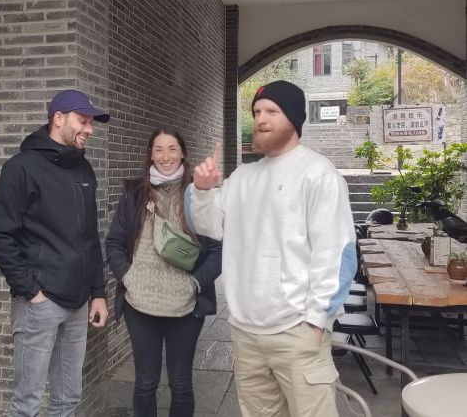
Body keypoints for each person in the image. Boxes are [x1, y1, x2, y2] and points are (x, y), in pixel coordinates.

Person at [186, 80, 356, 417]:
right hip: (245, 332)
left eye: (272, 111)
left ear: (294, 117)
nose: (261, 119)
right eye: (257, 112)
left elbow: (337, 253)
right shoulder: (243, 177)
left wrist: (316, 322)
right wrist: (203, 191)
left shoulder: (318, 173)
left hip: (297, 331)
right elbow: (208, 226)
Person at [0, 89, 110, 417]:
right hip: (40, 304)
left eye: (91, 123)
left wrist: (97, 293)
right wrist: (31, 290)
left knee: (68, 399)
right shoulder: (21, 168)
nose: (90, 129)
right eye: (83, 120)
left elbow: (89, 237)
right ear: (58, 118)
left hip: (78, 303)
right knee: (26, 404)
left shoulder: (84, 170)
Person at [106, 128, 222, 417]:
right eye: (158, 149)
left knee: (181, 383)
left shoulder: (198, 193)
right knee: (145, 382)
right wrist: (128, 277)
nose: (165, 156)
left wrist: (195, 284)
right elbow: (114, 242)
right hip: (140, 305)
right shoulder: (134, 194)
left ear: (183, 153)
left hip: (185, 306)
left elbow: (218, 250)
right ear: (150, 154)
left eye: (172, 149)